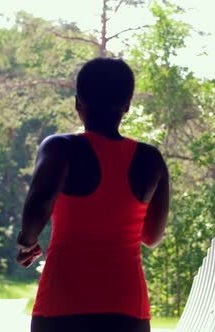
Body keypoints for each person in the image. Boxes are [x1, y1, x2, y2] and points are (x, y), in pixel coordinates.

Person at [15, 57, 170, 332]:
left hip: (62, 305)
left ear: (78, 103)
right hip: (127, 309)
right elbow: (152, 238)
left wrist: (27, 242)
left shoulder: (60, 148)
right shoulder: (151, 159)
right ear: (127, 106)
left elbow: (39, 202)